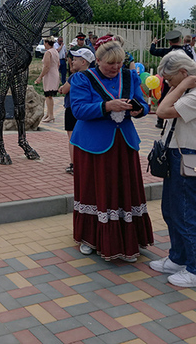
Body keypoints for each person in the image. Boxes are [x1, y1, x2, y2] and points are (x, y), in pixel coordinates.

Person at [69, 40, 153, 262]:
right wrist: (106, 106)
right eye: (109, 64)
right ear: (97, 61)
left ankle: (126, 240)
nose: (115, 68)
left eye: (119, 63)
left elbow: (143, 103)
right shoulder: (83, 78)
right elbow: (77, 109)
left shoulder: (129, 76)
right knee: (93, 188)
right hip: (93, 144)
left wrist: (138, 110)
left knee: (124, 189)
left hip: (124, 143)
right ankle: (89, 238)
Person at [149, 51, 196, 288]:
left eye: (169, 80)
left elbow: (162, 111)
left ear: (182, 74)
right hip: (177, 155)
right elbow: (192, 68)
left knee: (186, 214)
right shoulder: (191, 88)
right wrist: (184, 83)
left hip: (190, 157)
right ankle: (178, 258)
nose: (169, 85)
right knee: (171, 210)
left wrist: (181, 86)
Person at [58, 46, 94, 174]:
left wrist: (62, 87)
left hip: (72, 109)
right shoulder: (93, 75)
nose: (72, 62)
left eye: (75, 59)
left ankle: (74, 164)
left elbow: (64, 90)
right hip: (86, 110)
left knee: (72, 138)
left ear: (83, 62)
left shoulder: (76, 76)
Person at [150, 30, 195, 128]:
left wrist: (153, 43)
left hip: (169, 80)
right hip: (183, 80)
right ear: (180, 40)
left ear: (169, 42)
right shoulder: (187, 53)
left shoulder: (167, 52)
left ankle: (160, 121)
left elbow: (152, 51)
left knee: (165, 97)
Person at [34, 36, 60, 123]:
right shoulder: (55, 51)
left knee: (48, 95)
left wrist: (40, 77)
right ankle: (49, 114)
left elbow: (46, 66)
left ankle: (51, 115)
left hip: (50, 75)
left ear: (47, 43)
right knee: (49, 95)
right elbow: (58, 64)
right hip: (55, 73)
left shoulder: (48, 53)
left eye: (45, 43)